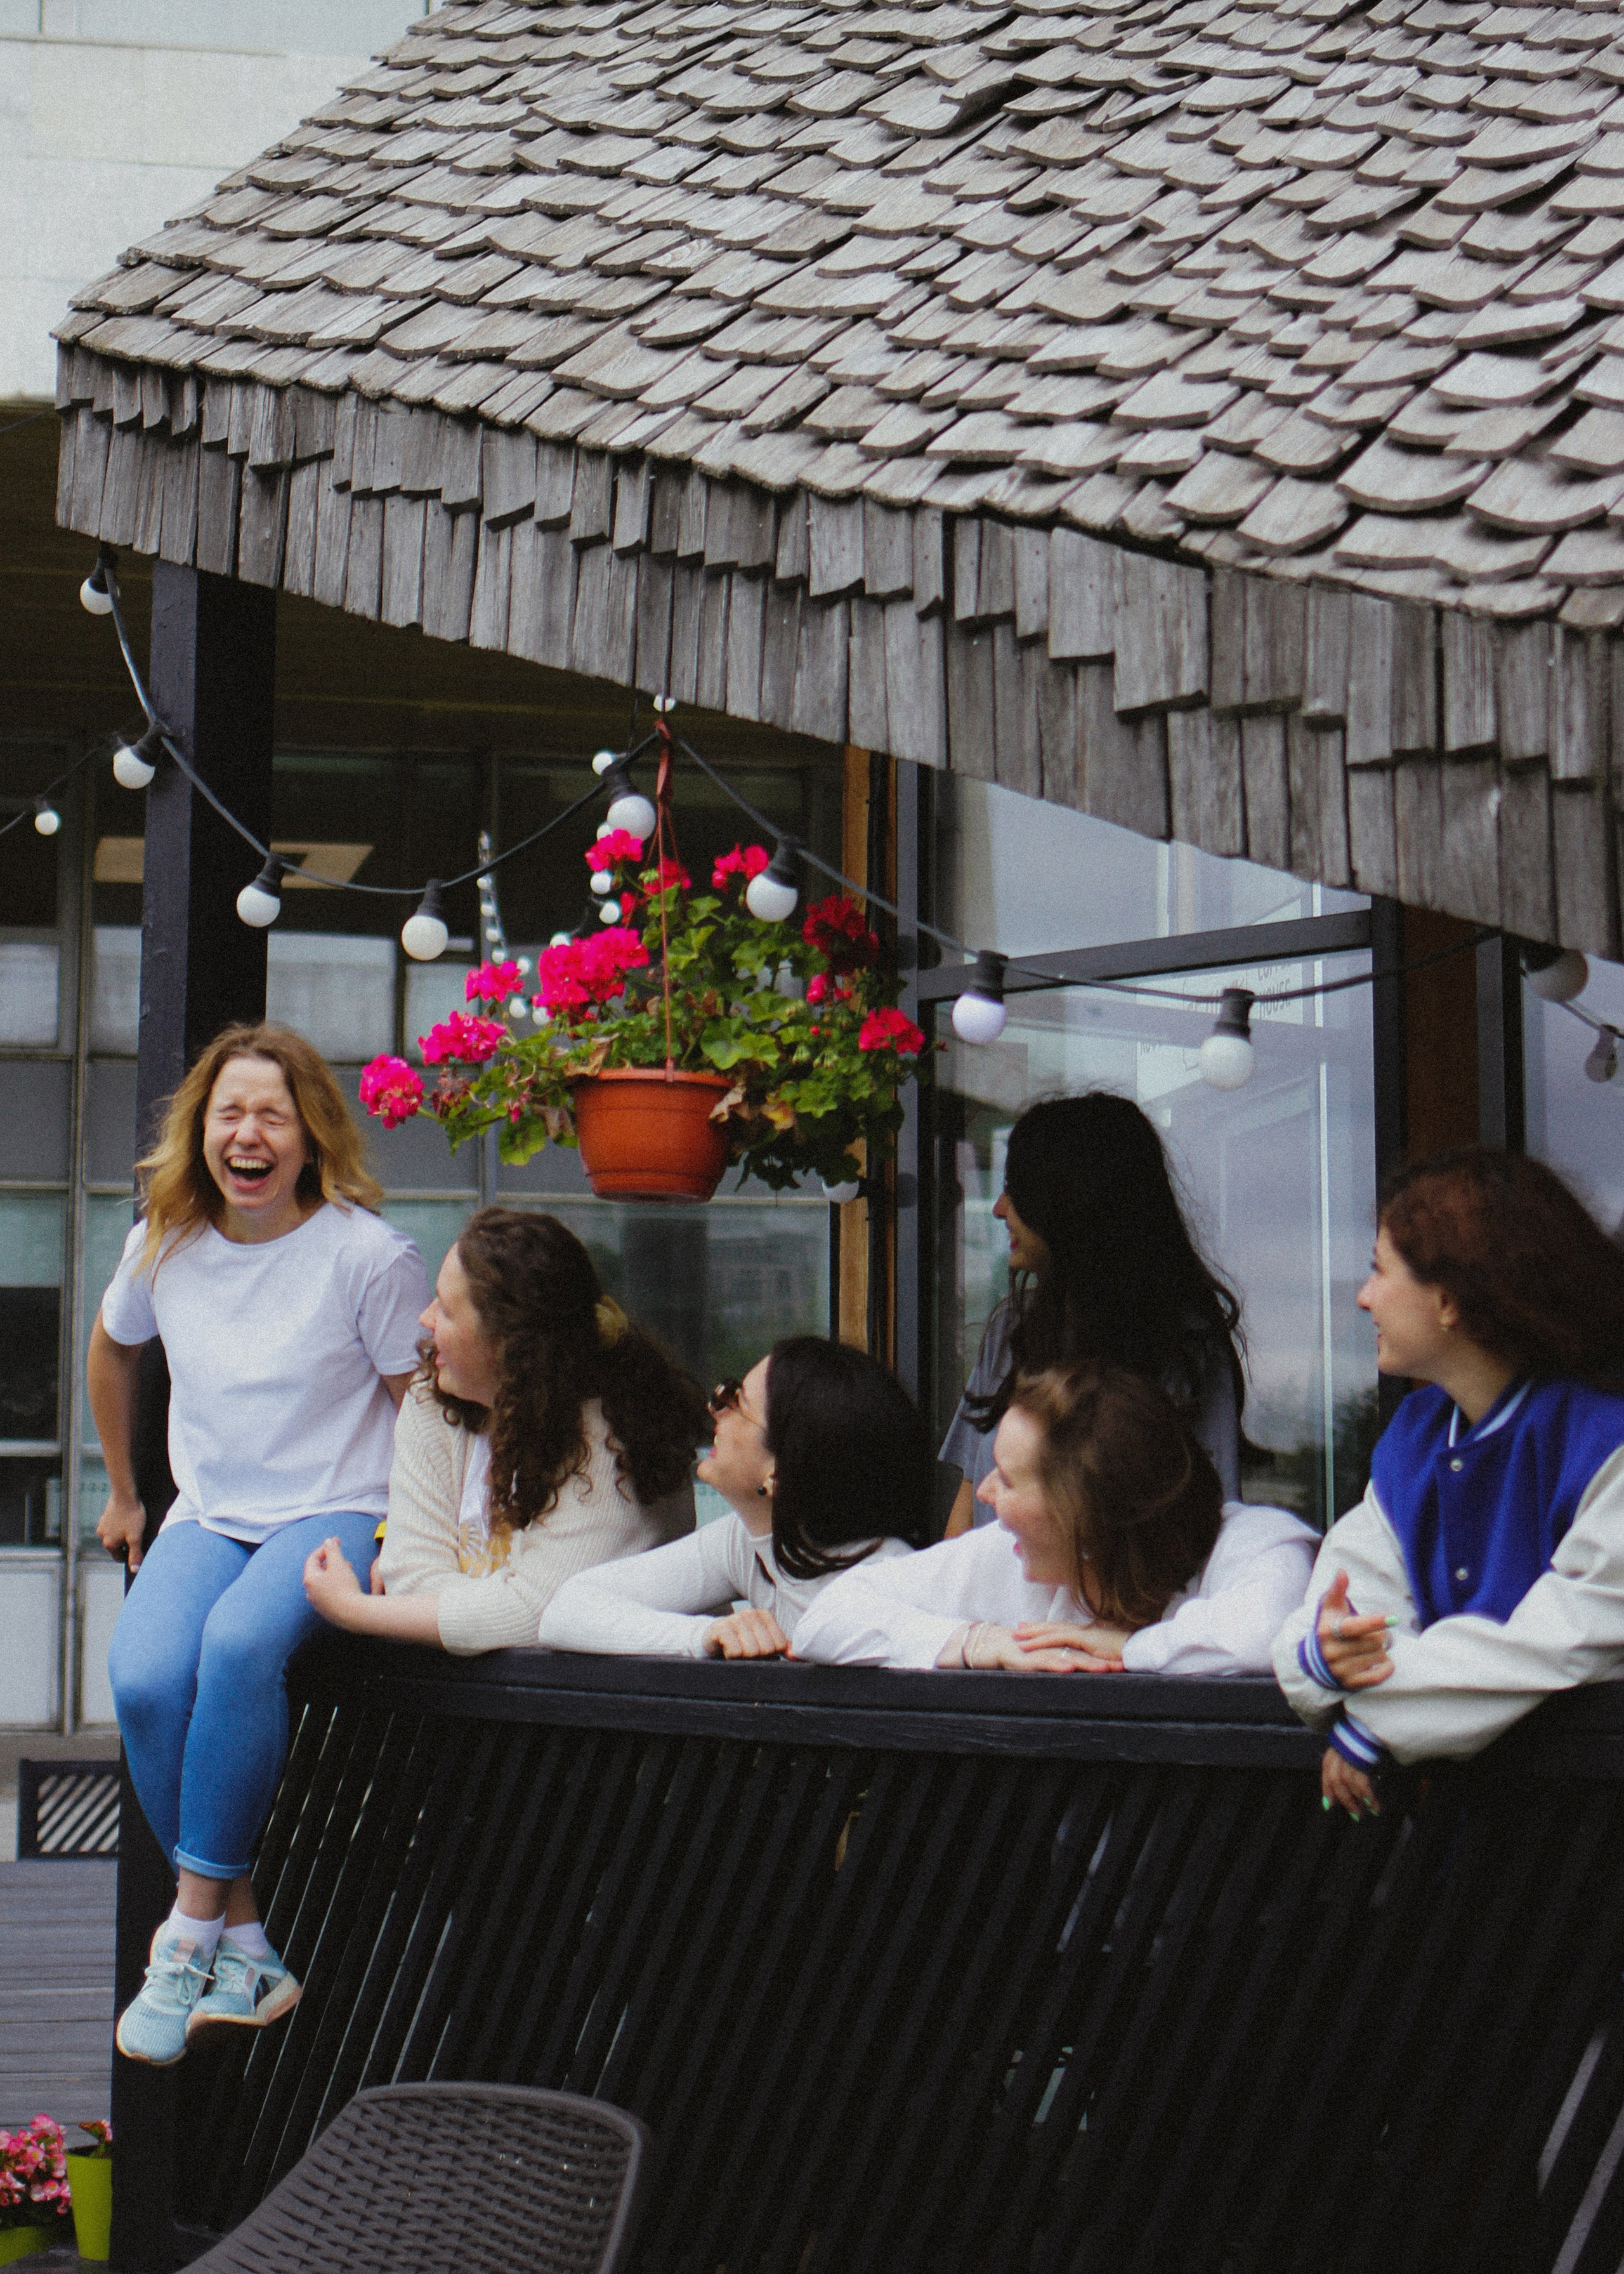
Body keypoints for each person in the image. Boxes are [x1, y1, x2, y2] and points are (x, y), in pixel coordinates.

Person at [95, 1023, 432, 2067]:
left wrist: (428, 1539)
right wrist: (124, 1491)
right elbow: (112, 1347)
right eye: (230, 1113)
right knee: (146, 1677)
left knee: (239, 1646)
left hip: (339, 1505)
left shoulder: (367, 1255)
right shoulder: (163, 1242)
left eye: (273, 1116)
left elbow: (422, 1409)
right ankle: (241, 1940)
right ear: (201, 1130)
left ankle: (189, 1934)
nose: (249, 1134)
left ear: (311, 1133)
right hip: (210, 1512)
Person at [1273, 1149, 1624, 1818]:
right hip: (1490, 1852)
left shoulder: (1608, 1438)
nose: (1363, 1296)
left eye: (1379, 1269)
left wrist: (1375, 1720)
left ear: (1449, 1299)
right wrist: (1326, 1656)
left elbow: (1566, 1637)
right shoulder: (1415, 1436)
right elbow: (1339, 1609)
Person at [303, 1209, 708, 1652]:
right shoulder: (434, 1393)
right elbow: (410, 1572)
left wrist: (353, 1610)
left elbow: (541, 1615)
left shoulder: (612, 1438)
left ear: (508, 1345)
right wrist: (486, 1616)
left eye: (447, 1310)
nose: (426, 1318)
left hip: (613, 1691)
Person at [795, 1362, 1314, 1673]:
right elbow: (826, 1617)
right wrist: (977, 1642)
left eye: (1007, 1478)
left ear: (1083, 1514)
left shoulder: (1255, 1541)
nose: (986, 1492)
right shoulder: (1007, 1553)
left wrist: (1134, 1648)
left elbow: (1257, 1639)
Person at [941, 1094, 1246, 1539]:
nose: (999, 1208)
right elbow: (965, 1514)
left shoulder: (1186, 1348)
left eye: (1017, 1190)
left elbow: (1209, 1527)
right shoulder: (1012, 1330)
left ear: (1071, 1203)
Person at [537, 1337, 933, 1659]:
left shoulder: (886, 1579)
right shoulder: (749, 1541)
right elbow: (568, 1610)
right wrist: (705, 1635)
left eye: (736, 1402)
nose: (715, 1409)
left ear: (779, 1470)